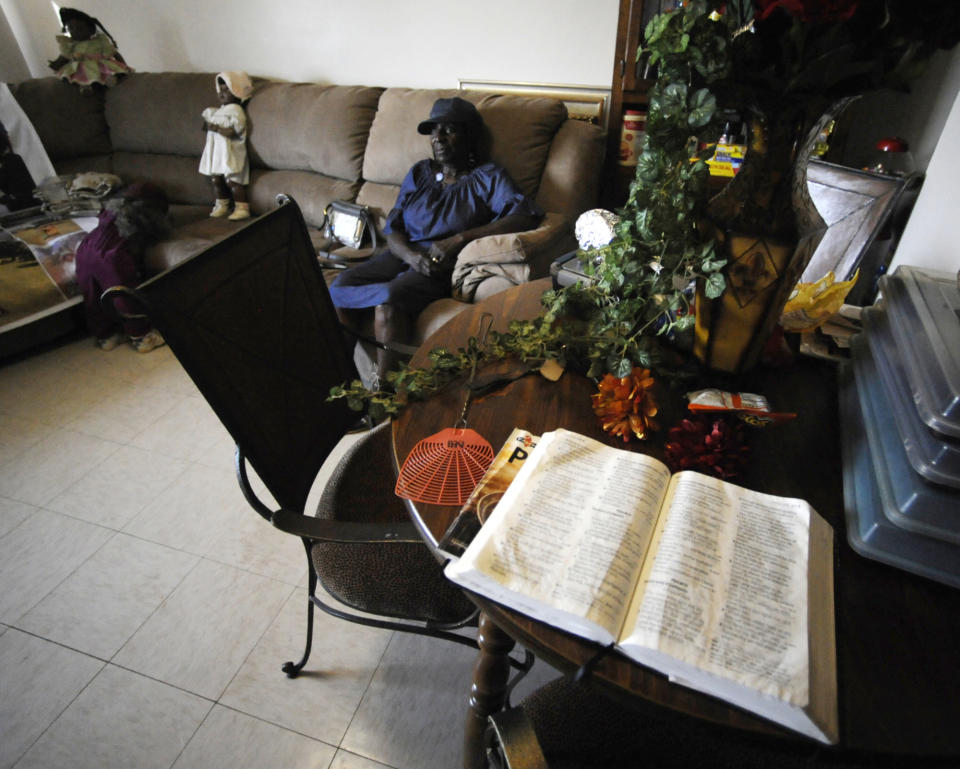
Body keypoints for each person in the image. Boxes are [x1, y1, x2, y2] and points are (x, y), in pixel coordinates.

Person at [329, 97, 542, 382]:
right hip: (403, 254)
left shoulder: (487, 177)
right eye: (434, 131)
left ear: (469, 136)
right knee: (339, 286)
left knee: (389, 299)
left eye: (449, 130)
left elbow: (524, 215)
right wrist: (409, 256)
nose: (438, 138)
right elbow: (393, 227)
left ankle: (386, 393)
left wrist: (459, 239)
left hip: (440, 265)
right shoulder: (420, 173)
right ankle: (341, 382)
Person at [74, 182, 169, 352]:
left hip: (85, 249)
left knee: (92, 294)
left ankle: (106, 335)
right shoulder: (139, 217)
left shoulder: (108, 213)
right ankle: (143, 337)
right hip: (112, 255)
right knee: (123, 294)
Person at [198, 71, 253, 221]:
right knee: (216, 179)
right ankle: (222, 203)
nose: (222, 93)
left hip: (231, 154)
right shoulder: (218, 111)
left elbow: (234, 131)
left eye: (226, 89)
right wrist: (208, 125)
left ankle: (242, 207)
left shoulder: (236, 111)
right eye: (220, 90)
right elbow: (205, 126)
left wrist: (216, 128)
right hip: (217, 154)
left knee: (232, 181)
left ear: (237, 91)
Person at [47, 8, 132, 94]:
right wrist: (56, 64)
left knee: (108, 73)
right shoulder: (71, 45)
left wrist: (125, 67)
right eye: (71, 28)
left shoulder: (100, 41)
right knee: (69, 77)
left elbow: (115, 54)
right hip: (79, 68)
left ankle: (107, 81)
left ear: (91, 30)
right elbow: (64, 57)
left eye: (80, 28)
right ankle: (86, 87)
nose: (75, 31)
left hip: (99, 65)